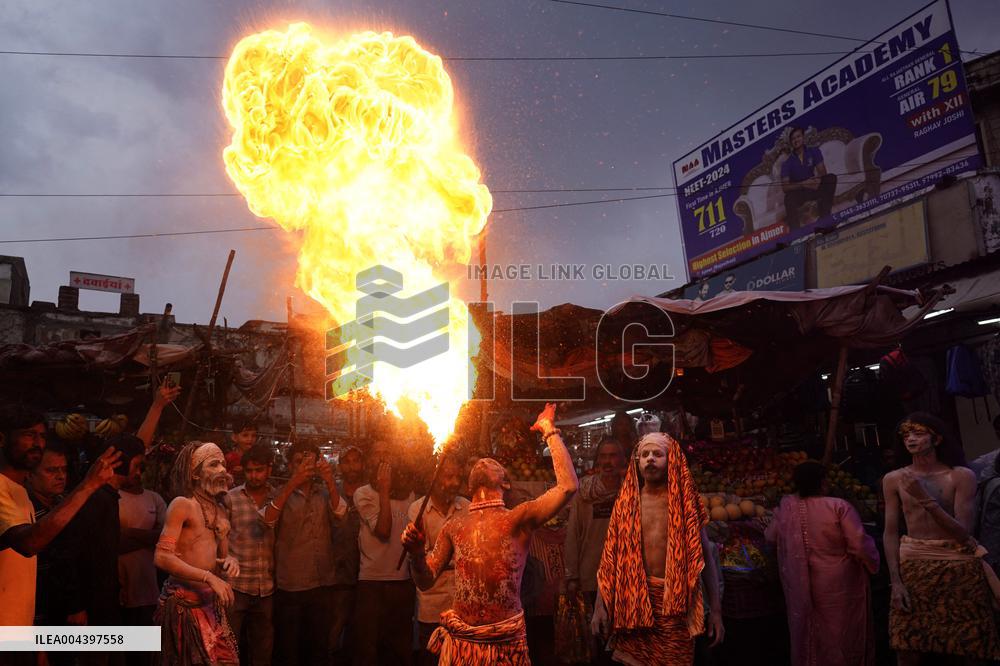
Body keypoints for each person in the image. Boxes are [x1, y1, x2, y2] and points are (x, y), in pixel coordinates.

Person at [402, 403, 579, 665]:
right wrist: (416, 555)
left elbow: (568, 486)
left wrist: (549, 431)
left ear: (505, 482)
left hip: (505, 647)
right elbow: (425, 580)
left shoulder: (516, 519)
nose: (483, 461)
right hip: (463, 646)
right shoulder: (454, 524)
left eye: (492, 462)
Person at [593, 432, 723, 666]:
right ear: (638, 462)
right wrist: (599, 607)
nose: (650, 459)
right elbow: (609, 558)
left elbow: (704, 557)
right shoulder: (626, 504)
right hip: (634, 603)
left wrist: (716, 611)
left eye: (657, 454)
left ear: (670, 460)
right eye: (645, 454)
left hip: (675, 605)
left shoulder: (686, 505)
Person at [884, 412, 1000, 664]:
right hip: (914, 566)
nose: (911, 439)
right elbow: (890, 532)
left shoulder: (960, 476)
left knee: (970, 645)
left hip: (956, 564)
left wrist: (923, 496)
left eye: (918, 433)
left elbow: (963, 532)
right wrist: (896, 582)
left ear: (936, 439)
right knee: (906, 643)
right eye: (906, 434)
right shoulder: (894, 479)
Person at [0, 404, 121, 627]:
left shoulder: (19, 492)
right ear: (2, 439)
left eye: (42, 436)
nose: (37, 443)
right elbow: (29, 543)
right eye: (29, 435)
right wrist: (88, 485)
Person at [765, 461, 880, 666]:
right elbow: (859, 544)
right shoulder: (838, 506)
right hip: (840, 583)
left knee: (811, 631)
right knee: (842, 633)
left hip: (801, 583)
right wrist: (874, 563)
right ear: (823, 482)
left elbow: (771, 536)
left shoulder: (786, 508)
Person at [153, 441, 240, 666]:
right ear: (195, 475)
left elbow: (219, 559)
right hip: (184, 607)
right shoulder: (182, 505)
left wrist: (229, 559)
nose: (223, 470)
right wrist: (208, 577)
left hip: (209, 604)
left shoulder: (220, 509)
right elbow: (162, 556)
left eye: (223, 464)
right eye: (213, 464)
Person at [263, 442, 346, 665]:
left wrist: (329, 480)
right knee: (289, 650)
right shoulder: (279, 493)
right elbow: (267, 520)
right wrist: (293, 484)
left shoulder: (323, 493)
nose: (303, 466)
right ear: (290, 465)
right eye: (298, 462)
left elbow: (341, 515)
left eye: (308, 461)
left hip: (322, 584)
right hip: (291, 586)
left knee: (318, 649)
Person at [353, 444, 417, 665]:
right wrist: (384, 490)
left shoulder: (409, 493)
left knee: (399, 649)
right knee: (368, 650)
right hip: (372, 582)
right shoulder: (363, 493)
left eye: (387, 453)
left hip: (402, 582)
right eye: (377, 453)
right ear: (370, 460)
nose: (382, 458)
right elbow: (383, 530)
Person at [408, 455, 469, 666]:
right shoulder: (417, 510)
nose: (454, 483)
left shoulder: (467, 507)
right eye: (448, 476)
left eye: (458, 477)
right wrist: (452, 559)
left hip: (462, 609)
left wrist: (441, 558)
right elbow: (422, 561)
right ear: (433, 479)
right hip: (432, 609)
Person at [224, 444, 278, 666]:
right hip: (236, 586)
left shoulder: (278, 498)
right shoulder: (230, 498)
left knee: (262, 650)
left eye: (259, 470)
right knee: (229, 648)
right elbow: (222, 540)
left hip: (266, 586)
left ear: (269, 470)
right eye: (249, 471)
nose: (254, 475)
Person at [25, 442, 87, 630]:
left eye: (63, 469)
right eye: (51, 470)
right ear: (30, 474)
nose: (61, 476)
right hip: (41, 611)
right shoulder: (26, 511)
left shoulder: (63, 502)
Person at [116, 437, 166, 666]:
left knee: (144, 655)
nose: (138, 473)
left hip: (148, 591)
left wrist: (129, 533)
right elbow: (113, 543)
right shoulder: (112, 499)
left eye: (141, 468)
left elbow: (165, 539)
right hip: (119, 591)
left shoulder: (154, 499)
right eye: (135, 467)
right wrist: (148, 537)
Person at [565, 437, 627, 606]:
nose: (608, 461)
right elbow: (573, 533)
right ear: (598, 460)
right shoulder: (585, 492)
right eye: (603, 456)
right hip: (591, 575)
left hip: (625, 577)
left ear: (623, 459)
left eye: (613, 456)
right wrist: (572, 576)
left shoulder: (631, 491)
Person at [329, 445, 366, 661]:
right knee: (332, 630)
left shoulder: (371, 493)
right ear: (340, 466)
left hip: (364, 574)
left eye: (356, 461)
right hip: (337, 574)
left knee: (359, 633)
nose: (352, 466)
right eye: (347, 462)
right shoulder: (331, 492)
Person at [781, 126, 837, 229]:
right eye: (793, 138)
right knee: (788, 198)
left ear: (803, 137)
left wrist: (817, 181)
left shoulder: (814, 151)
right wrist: (802, 184)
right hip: (800, 192)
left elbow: (822, 172)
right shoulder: (786, 163)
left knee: (831, 178)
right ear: (790, 142)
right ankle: (796, 234)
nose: (796, 140)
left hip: (813, 187)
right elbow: (785, 187)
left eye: (798, 137)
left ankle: (825, 218)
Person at [225, 420, 259, 488]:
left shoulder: (257, 458)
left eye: (254, 435)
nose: (250, 439)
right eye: (245, 435)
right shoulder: (229, 458)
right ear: (234, 437)